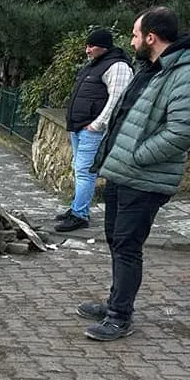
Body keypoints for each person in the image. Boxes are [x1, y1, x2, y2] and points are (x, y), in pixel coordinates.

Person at [79, 7, 190, 341]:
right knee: (116, 238)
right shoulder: (151, 68)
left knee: (127, 245)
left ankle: (120, 317)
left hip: (143, 176)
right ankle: (115, 301)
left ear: (151, 37)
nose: (132, 40)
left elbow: (185, 129)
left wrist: (139, 156)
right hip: (122, 172)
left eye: (136, 34)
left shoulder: (186, 72)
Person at [56, 28, 133, 232]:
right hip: (79, 128)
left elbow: (117, 99)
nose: (87, 50)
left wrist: (96, 125)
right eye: (87, 45)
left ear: (104, 47)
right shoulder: (94, 66)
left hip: (92, 130)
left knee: (85, 172)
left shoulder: (117, 66)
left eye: (91, 46)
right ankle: (76, 209)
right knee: (79, 169)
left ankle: (80, 215)